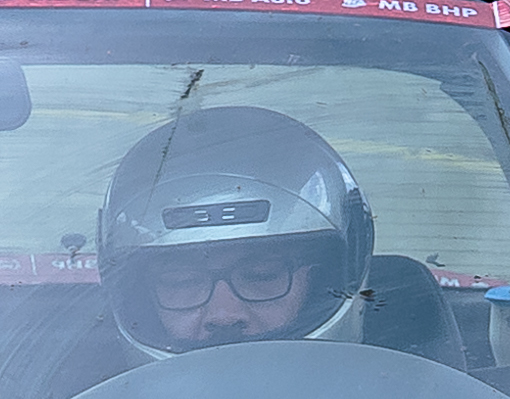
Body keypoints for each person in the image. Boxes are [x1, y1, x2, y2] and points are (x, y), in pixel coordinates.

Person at [96, 106, 376, 355]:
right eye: (181, 282)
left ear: (322, 279)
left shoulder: (409, 398)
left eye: (261, 275)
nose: (224, 315)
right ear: (140, 294)